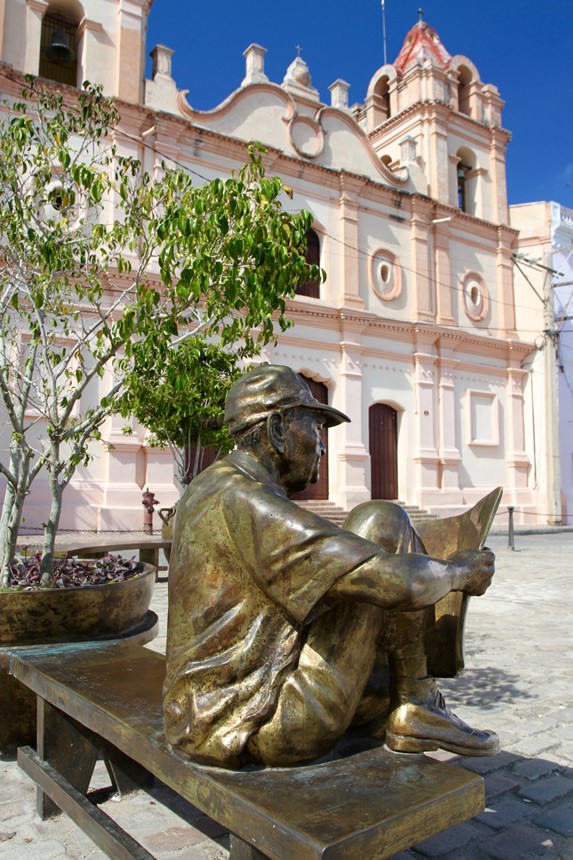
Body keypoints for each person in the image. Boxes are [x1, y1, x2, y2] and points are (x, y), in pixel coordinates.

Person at [164, 364, 499, 769]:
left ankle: (406, 702)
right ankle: (418, 702)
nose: (322, 447)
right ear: (276, 430)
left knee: (372, 666)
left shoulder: (207, 488)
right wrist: (459, 572)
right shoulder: (247, 499)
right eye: (315, 429)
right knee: (381, 521)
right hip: (261, 722)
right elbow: (400, 583)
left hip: (201, 717)